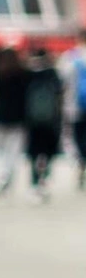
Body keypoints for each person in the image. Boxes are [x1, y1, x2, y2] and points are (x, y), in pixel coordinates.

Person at [0, 47, 30, 196]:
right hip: (19, 120)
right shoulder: (24, 75)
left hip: (1, 119)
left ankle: (3, 174)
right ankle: (8, 175)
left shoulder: (1, 75)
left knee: (1, 149)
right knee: (14, 151)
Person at [24, 48, 63, 202]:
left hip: (32, 120)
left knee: (34, 150)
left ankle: (35, 178)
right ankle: (45, 174)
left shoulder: (28, 74)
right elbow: (60, 93)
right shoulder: (52, 73)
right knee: (48, 149)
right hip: (50, 119)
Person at [59, 32, 86, 189]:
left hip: (74, 106)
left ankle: (81, 162)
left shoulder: (70, 57)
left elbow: (62, 82)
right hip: (75, 105)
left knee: (78, 136)